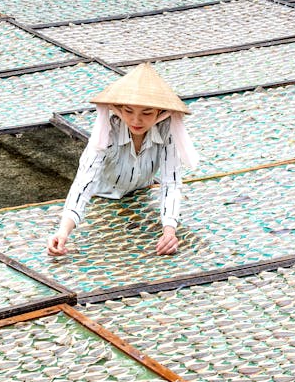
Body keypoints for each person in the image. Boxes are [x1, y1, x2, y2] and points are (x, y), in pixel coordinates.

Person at [47, 62, 198, 257]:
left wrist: (169, 231)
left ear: (160, 112)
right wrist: (63, 232)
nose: (136, 121)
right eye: (128, 111)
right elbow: (83, 183)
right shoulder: (107, 132)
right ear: (118, 109)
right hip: (100, 199)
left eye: (146, 113)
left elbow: (171, 182)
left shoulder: (166, 130)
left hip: (141, 197)